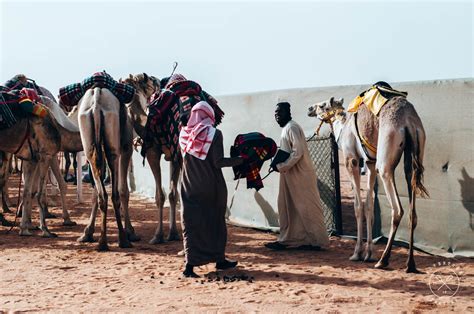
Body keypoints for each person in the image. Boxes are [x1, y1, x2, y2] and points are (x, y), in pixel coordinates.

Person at [179, 101, 243, 278]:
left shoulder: (183, 135)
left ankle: (189, 266)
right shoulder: (215, 134)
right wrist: (240, 160)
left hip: (188, 186)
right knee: (215, 223)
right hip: (212, 187)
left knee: (191, 225)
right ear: (209, 115)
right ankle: (219, 259)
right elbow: (218, 162)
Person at [265, 102, 329, 250]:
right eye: (275, 114)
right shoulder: (287, 128)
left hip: (300, 174)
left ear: (288, 112)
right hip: (289, 174)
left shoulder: (292, 127)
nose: (277, 116)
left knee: (307, 207)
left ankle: (318, 241)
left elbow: (297, 152)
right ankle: (293, 239)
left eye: (279, 113)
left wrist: (281, 166)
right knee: (288, 207)